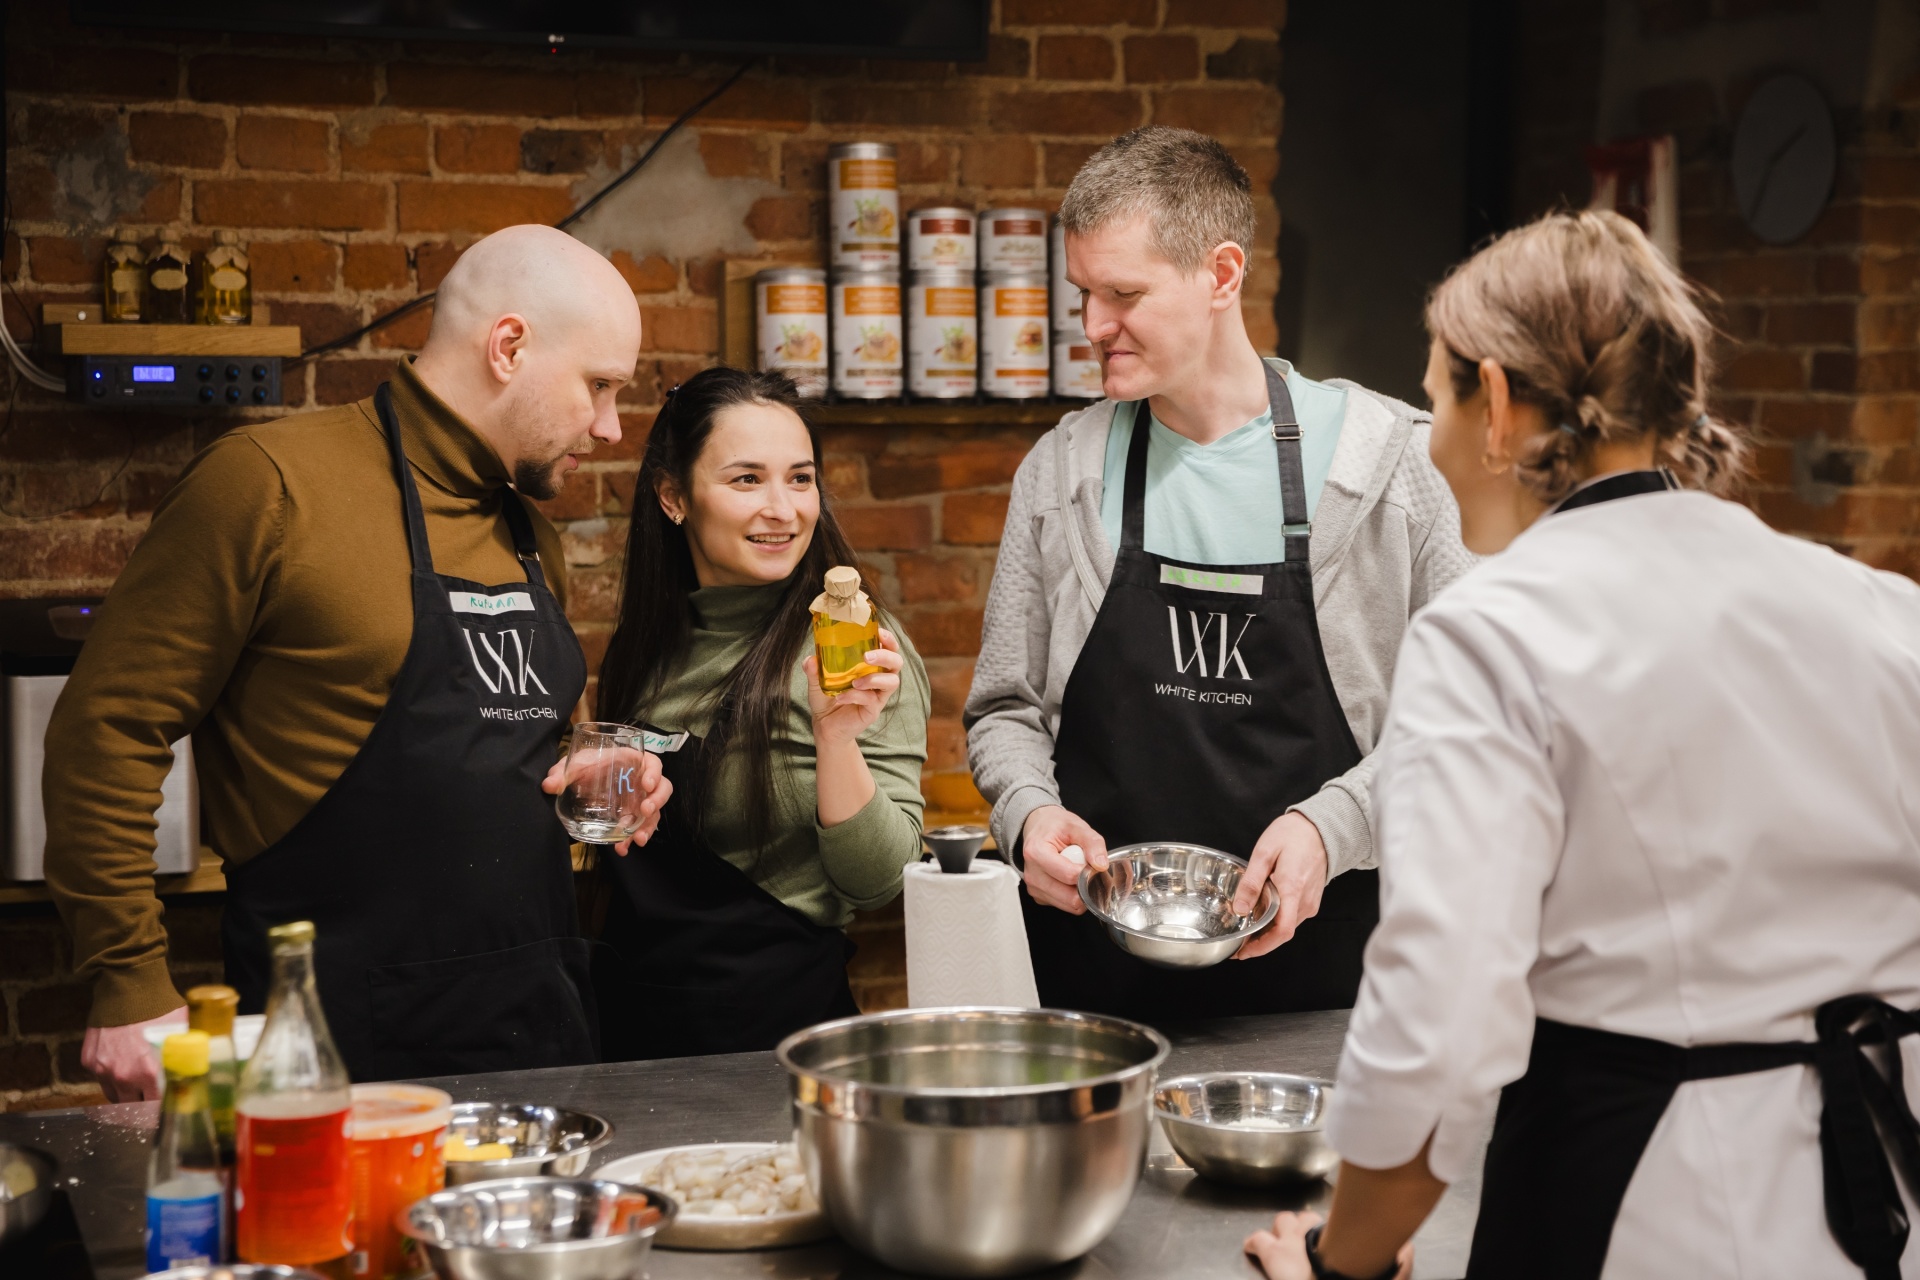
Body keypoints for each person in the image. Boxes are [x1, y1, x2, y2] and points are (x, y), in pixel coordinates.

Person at [1245, 211, 1920, 1280]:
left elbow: (1440, 1032)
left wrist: (1343, 1263)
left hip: (1646, 1215)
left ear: (1500, 404)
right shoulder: (1884, 610)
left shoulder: (1492, 634)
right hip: (1879, 1203)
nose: (1430, 437)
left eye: (1435, 396)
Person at [44, 224, 671, 1095]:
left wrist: (588, 767)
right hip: (332, 1046)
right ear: (510, 346)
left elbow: (489, 746)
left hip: (537, 1029)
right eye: (599, 388)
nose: (609, 428)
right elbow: (105, 731)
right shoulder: (267, 486)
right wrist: (127, 986)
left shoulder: (530, 534)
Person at [965, 126, 1474, 1022]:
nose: (1091, 327)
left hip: (1335, 990)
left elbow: (1471, 732)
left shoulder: (1393, 469)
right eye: (1083, 293)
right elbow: (1004, 711)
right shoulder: (1062, 473)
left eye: (1124, 294)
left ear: (1223, 275)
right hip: (1096, 990)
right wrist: (1028, 816)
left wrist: (1331, 825)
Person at [575, 366, 930, 1061]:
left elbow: (881, 882)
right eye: (747, 480)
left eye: (800, 479)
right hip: (630, 1031)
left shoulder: (850, 647)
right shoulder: (646, 647)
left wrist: (836, 738)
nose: (784, 509)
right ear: (673, 497)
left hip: (771, 1047)